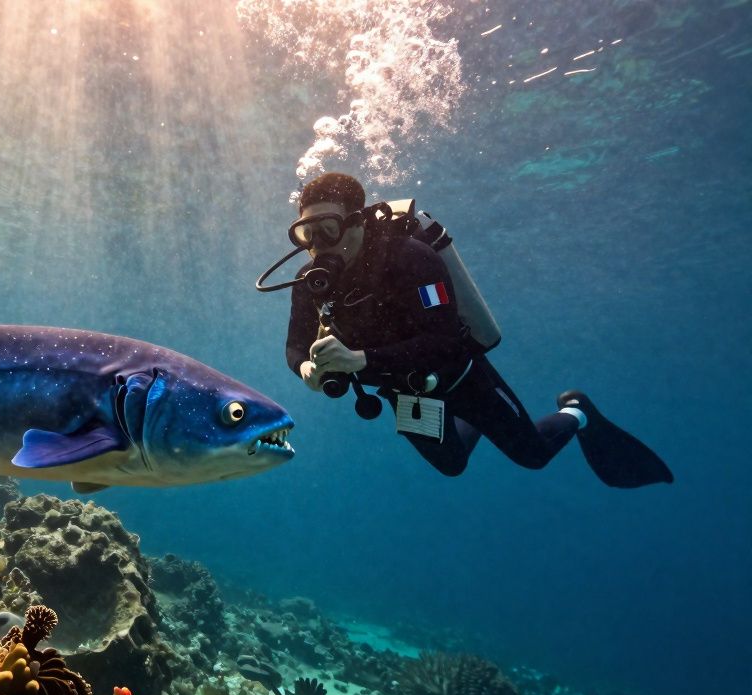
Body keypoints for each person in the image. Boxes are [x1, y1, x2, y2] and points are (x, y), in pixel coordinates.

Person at [282, 172, 671, 487]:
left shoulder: (411, 259)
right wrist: (306, 370)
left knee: (533, 455)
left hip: (464, 378)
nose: (317, 246)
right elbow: (295, 345)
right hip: (406, 395)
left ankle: (577, 410)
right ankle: (475, 424)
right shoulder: (310, 281)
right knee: (451, 465)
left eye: (327, 228)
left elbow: (444, 341)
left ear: (358, 221)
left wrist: (360, 359)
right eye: (306, 233)